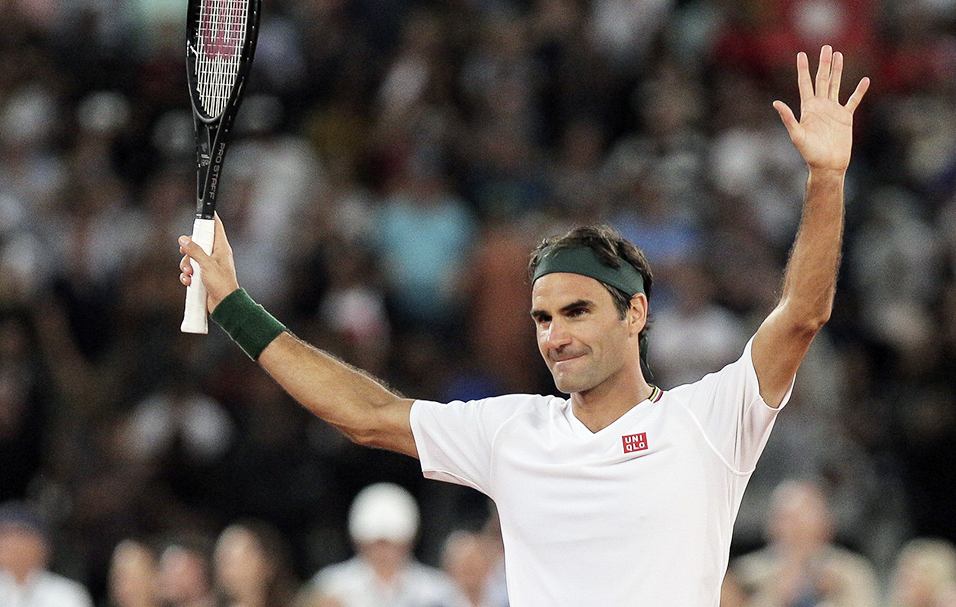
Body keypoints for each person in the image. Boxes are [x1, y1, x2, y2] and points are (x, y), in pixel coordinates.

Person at [179, 46, 869, 605]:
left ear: (636, 313)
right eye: (542, 317)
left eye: (576, 312)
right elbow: (368, 414)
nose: (554, 335)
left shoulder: (709, 422)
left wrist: (826, 178)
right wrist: (233, 305)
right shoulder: (512, 433)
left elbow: (801, 315)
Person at [304, 482, 461, 607]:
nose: (384, 553)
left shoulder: (437, 589)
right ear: (358, 541)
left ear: (409, 541)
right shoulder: (331, 586)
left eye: (391, 544)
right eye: (377, 544)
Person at [729, 479, 880, 607]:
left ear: (825, 526)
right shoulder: (747, 575)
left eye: (799, 524)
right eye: (783, 520)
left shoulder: (851, 573)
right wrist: (778, 594)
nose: (788, 530)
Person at [0, 500, 94, 607]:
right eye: (4, 536)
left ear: (42, 546)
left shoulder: (66, 593)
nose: (10, 545)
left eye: (20, 536)